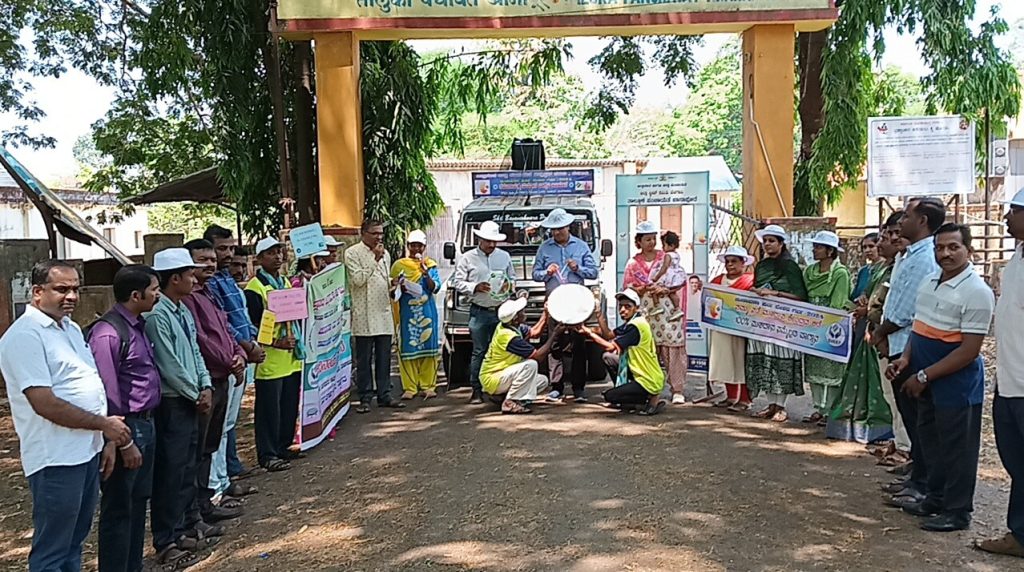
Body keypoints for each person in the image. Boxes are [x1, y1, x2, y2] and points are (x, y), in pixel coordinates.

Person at [0, 260, 130, 572]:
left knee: (75, 542)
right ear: (37, 292)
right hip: (55, 458)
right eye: (61, 289)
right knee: (52, 551)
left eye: (75, 288)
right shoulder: (25, 336)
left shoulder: (69, 328)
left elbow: (87, 387)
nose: (71, 296)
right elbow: (44, 403)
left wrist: (105, 440)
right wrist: (104, 425)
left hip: (86, 452)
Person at [886, 223, 994, 532]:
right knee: (930, 443)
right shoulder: (930, 279)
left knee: (957, 450)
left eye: (953, 247)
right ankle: (934, 498)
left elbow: (969, 350)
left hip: (955, 385)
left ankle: (958, 511)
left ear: (968, 251)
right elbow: (919, 326)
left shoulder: (977, 292)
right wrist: (906, 359)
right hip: (925, 379)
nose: (944, 254)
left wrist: (924, 374)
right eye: (940, 248)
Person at [88, 265, 162, 572]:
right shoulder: (108, 333)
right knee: (119, 507)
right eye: (155, 289)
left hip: (147, 424)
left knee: (137, 502)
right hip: (126, 428)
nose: (158, 294)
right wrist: (121, 441)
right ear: (136, 294)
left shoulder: (137, 326)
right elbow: (107, 392)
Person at [872, 197, 945, 506]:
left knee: (918, 420)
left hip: (908, 346)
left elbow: (908, 310)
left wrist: (881, 331)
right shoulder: (907, 255)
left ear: (923, 222)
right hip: (896, 343)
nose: (901, 222)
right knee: (909, 414)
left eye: (908, 216)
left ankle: (925, 483)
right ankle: (917, 474)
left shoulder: (925, 258)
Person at [145, 248, 214, 569]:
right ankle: (166, 537)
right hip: (174, 402)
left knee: (189, 463)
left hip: (193, 397)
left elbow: (195, 352)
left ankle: (187, 523)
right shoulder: (157, 316)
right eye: (189, 274)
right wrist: (193, 391)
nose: (194, 278)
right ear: (174, 278)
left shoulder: (182, 309)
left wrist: (205, 385)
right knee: (171, 470)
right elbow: (168, 364)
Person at [181, 239, 248, 524]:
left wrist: (238, 352)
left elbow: (224, 327)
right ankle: (194, 511)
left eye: (211, 259)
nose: (209, 264)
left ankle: (206, 503)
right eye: (202, 260)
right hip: (207, 377)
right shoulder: (186, 298)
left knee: (210, 444)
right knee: (198, 448)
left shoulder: (209, 292)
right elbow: (201, 339)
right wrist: (228, 359)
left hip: (223, 374)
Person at [975, 187, 1024, 558]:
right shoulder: (1017, 258)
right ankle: (1019, 533)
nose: (1006, 217)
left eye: (1014, 210)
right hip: (1008, 381)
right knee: (1016, 463)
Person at [202, 225, 262, 491]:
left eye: (230, 248)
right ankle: (217, 485)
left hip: (239, 356)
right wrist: (245, 346)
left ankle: (225, 478)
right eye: (221, 249)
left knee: (227, 424)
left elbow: (239, 318)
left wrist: (249, 344)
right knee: (218, 426)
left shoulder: (226, 278)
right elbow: (222, 326)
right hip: (225, 361)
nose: (226, 254)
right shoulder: (208, 286)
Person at [826, 227, 897, 444]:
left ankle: (885, 429)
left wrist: (869, 310)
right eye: (864, 247)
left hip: (881, 326)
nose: (869, 250)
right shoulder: (872, 271)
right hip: (865, 323)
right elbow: (861, 293)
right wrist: (860, 304)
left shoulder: (893, 268)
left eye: (874, 245)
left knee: (879, 375)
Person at [245, 237, 306, 471]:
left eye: (279, 252)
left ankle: (283, 446)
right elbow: (254, 324)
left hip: (291, 356)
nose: (277, 256)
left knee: (288, 404)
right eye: (270, 253)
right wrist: (276, 341)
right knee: (269, 409)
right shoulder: (255, 288)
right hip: (270, 358)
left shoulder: (285, 283)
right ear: (259, 258)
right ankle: (268, 454)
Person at [532, 207, 599, 403]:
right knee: (554, 342)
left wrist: (578, 268)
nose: (557, 232)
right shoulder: (544, 248)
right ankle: (557, 387)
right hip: (554, 301)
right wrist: (547, 272)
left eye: (560, 228)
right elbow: (536, 274)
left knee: (579, 343)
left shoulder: (581, 246)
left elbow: (593, 272)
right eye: (554, 229)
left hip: (576, 300)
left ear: (568, 226)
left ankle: (578, 388)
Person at [746, 224, 808, 422]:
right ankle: (770, 404)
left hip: (784, 323)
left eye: (772, 241)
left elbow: (800, 296)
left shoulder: (790, 266)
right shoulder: (762, 266)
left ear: (781, 244)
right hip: (762, 321)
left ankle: (781, 406)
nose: (767, 245)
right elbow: (756, 287)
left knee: (782, 360)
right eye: (765, 241)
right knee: (766, 360)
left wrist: (775, 294)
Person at [622, 220, 688, 405]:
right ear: (639, 242)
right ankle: (648, 389)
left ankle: (677, 389)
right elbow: (627, 287)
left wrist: (666, 290)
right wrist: (639, 289)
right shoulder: (633, 263)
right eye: (647, 239)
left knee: (672, 347)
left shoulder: (666, 257)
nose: (651, 243)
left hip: (667, 309)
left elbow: (680, 278)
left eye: (653, 239)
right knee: (647, 349)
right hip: (646, 309)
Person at [345, 220, 406, 413]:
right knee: (364, 359)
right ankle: (365, 397)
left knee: (384, 357)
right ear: (363, 233)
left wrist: (393, 282)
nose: (379, 237)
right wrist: (375, 259)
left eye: (381, 233)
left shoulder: (385, 253)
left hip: (383, 312)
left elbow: (381, 277)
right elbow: (358, 280)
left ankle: (384, 394)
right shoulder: (352, 253)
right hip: (364, 314)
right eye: (374, 233)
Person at [453, 219, 516, 404]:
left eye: (494, 241)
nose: (491, 244)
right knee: (479, 350)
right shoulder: (467, 258)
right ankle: (477, 389)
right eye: (488, 240)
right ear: (480, 239)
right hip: (479, 311)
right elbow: (457, 282)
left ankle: (500, 388)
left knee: (501, 351)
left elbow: (512, 278)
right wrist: (474, 287)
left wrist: (509, 285)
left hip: (500, 311)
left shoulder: (504, 256)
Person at [579, 289, 667, 415]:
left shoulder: (634, 327)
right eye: (621, 306)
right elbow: (609, 334)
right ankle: (629, 395)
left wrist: (589, 333)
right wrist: (598, 315)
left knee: (610, 396)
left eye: (627, 306)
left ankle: (649, 399)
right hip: (642, 373)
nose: (622, 310)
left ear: (636, 308)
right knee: (608, 358)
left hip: (648, 380)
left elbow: (610, 346)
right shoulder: (632, 322)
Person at [802, 230, 852, 425]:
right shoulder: (810, 271)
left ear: (830, 251)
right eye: (815, 246)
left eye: (819, 247)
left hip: (831, 325)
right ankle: (818, 407)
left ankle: (831, 409)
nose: (815, 250)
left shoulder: (840, 273)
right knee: (814, 366)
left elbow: (838, 302)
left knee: (832, 368)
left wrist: (824, 320)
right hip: (810, 324)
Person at [478, 297, 557, 414]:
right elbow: (538, 356)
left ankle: (504, 396)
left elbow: (534, 332)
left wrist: (545, 313)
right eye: (521, 312)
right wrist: (555, 334)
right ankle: (509, 403)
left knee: (542, 381)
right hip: (493, 377)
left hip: (502, 374)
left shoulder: (510, 326)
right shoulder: (509, 337)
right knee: (531, 364)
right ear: (515, 318)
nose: (524, 313)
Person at [390, 230, 442, 400]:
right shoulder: (399, 265)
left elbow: (435, 287)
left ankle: (428, 385)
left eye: (419, 245)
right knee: (408, 348)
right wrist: (398, 285)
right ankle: (410, 387)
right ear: (408, 246)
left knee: (429, 349)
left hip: (427, 312)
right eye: (413, 245)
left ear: (424, 247)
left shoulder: (430, 265)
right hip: (407, 313)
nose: (416, 248)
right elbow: (392, 290)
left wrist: (425, 273)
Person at [708, 246, 755, 412]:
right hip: (721, 327)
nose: (730, 265)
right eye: (728, 261)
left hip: (741, 329)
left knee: (740, 360)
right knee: (725, 360)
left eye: (734, 261)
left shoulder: (750, 281)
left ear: (743, 263)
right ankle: (731, 396)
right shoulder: (717, 281)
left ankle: (744, 399)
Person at [648, 231, 687, 322]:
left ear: (671, 245)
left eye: (664, 245)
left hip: (669, 278)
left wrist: (656, 277)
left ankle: (657, 305)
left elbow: (664, 267)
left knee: (655, 290)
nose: (662, 247)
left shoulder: (667, 255)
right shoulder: (676, 255)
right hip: (677, 277)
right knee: (672, 293)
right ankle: (677, 308)